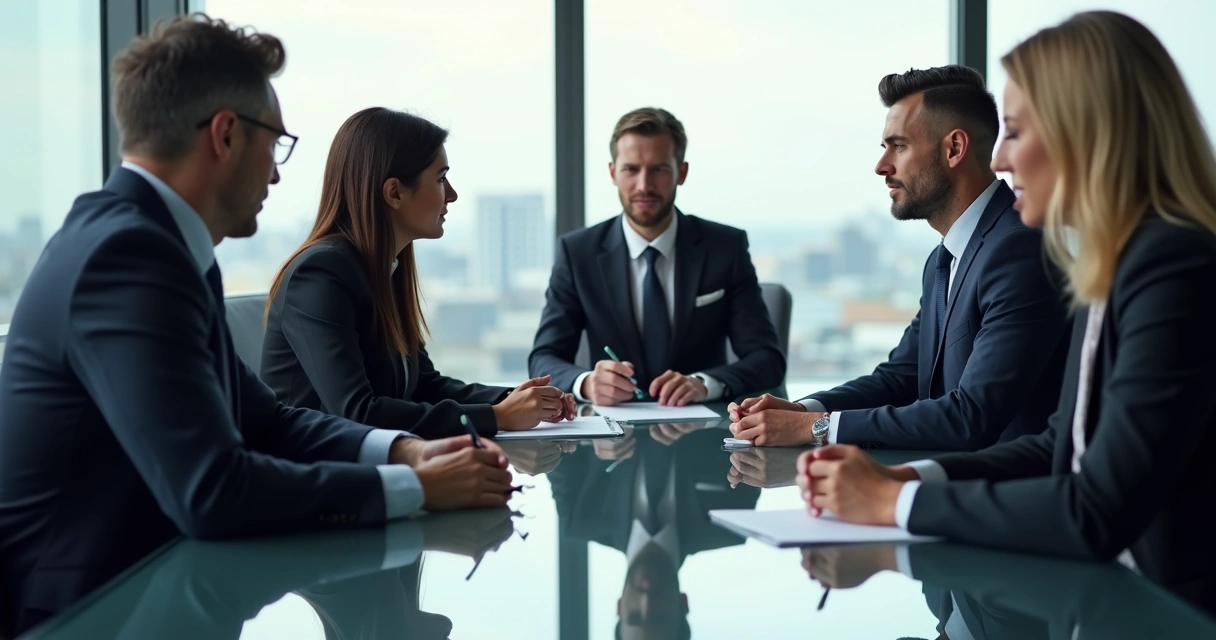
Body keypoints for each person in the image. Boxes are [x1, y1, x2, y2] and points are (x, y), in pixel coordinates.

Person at [0, 16, 511, 634]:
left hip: (159, 596)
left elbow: (267, 419)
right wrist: (413, 488)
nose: (275, 172)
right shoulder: (127, 258)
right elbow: (213, 492)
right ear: (225, 135)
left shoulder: (160, 248)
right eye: (275, 143)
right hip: (84, 614)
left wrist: (407, 449)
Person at [798, 11, 1216, 616]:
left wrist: (892, 506)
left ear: (1087, 133)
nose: (998, 160)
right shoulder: (1119, 262)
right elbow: (1059, 445)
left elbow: (1093, 511)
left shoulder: (1173, 267)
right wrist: (904, 481)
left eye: (1015, 132)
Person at [729, 65, 1072, 451]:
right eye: (884, 148)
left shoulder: (1018, 250)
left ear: (954, 149)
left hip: (1007, 495)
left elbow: (971, 415)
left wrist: (816, 428)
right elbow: (901, 378)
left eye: (899, 146)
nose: (882, 166)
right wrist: (800, 411)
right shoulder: (944, 259)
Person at [260, 107, 576, 439]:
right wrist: (496, 416)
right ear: (394, 192)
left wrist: (514, 399)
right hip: (317, 477)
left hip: (374, 468)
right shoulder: (320, 275)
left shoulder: (385, 269)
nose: (451, 195)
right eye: (440, 179)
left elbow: (425, 385)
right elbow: (358, 412)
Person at [528, 107, 785, 407]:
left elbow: (767, 359)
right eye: (631, 169)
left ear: (682, 172)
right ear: (613, 173)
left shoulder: (725, 248)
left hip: (703, 435)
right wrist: (586, 383)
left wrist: (705, 384)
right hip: (611, 439)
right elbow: (543, 358)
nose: (644, 185)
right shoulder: (577, 253)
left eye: (659, 169)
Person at [549, 423, 760, 639]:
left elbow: (552, 428)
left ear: (620, 607)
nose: (646, 601)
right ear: (683, 604)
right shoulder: (732, 525)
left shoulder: (580, 518)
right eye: (659, 616)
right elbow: (760, 429)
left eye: (633, 615)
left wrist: (592, 422)